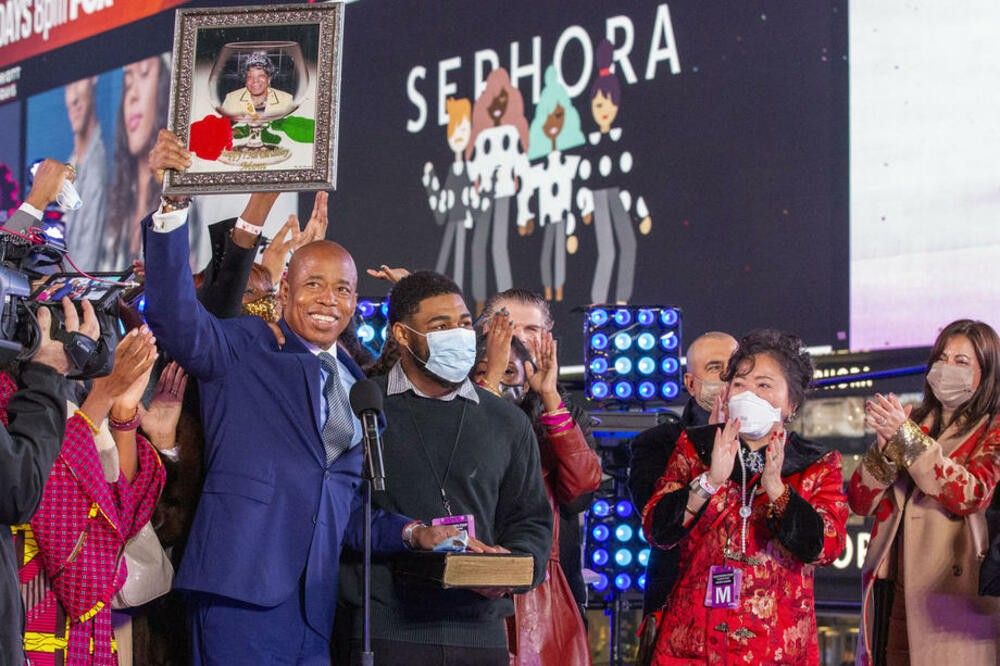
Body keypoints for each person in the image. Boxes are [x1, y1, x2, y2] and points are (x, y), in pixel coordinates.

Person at [141, 131, 452, 664]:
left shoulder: (357, 386)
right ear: (284, 291)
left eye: (343, 289)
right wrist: (172, 206)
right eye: (313, 285)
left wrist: (413, 532)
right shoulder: (245, 346)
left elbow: (342, 507)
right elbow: (175, 318)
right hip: (238, 593)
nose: (329, 299)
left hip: (314, 608)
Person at [337, 271, 552, 666]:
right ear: (402, 335)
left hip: (481, 632)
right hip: (386, 630)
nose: (458, 334)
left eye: (465, 323)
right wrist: (411, 533)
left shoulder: (507, 421)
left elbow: (532, 521)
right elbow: (339, 512)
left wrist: (510, 565)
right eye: (441, 326)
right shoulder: (365, 405)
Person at [642, 329, 848, 664]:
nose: (749, 393)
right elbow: (657, 529)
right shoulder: (696, 447)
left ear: (791, 404)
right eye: (740, 384)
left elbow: (827, 546)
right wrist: (710, 480)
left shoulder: (816, 463)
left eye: (764, 385)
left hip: (777, 648)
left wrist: (776, 488)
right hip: (693, 645)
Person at [848, 319, 1000, 665]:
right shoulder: (913, 421)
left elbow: (971, 493)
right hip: (893, 585)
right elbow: (859, 500)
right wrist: (884, 451)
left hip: (951, 595)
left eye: (961, 361)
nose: (947, 367)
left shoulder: (993, 427)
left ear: (987, 372)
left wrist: (907, 440)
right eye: (942, 358)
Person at [14, 326, 167, 665]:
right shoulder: (10, 389)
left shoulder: (78, 382)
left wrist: (122, 410)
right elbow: (44, 491)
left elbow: (119, 514)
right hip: (30, 619)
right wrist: (101, 398)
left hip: (86, 636)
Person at [472, 313, 600, 666]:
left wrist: (550, 395)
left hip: (539, 603)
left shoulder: (547, 437)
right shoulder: (453, 432)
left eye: (507, 372)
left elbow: (583, 484)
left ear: (526, 381)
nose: (494, 380)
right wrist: (490, 387)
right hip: (472, 590)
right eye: (483, 372)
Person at [628, 332, 738, 633]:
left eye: (735, 368)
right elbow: (658, 523)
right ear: (691, 383)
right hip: (678, 607)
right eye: (715, 368)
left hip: (748, 616)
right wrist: (708, 456)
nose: (727, 378)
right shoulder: (657, 444)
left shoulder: (764, 444)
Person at [577, 40, 653, 305]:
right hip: (599, 197)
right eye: (598, 105)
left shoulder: (622, 139)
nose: (603, 111)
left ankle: (622, 302)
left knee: (628, 244)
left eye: (608, 104)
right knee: (606, 250)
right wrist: (585, 207)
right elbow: (584, 180)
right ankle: (598, 305)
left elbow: (632, 182)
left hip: (619, 197)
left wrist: (642, 213)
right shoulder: (592, 144)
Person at [521, 65, 590, 302]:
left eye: (558, 116)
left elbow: (581, 190)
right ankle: (549, 292)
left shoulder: (570, 163)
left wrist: (578, 221)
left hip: (562, 216)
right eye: (547, 117)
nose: (552, 123)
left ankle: (557, 291)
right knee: (545, 256)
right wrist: (526, 216)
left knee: (559, 257)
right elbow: (528, 191)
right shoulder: (538, 168)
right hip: (547, 217)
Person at [467, 68, 530, 314]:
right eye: (491, 99)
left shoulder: (511, 134)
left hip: (503, 194)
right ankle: (479, 304)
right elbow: (475, 168)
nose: (496, 105)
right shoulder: (482, 137)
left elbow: (521, 167)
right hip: (484, 197)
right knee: (478, 247)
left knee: (498, 247)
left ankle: (505, 307)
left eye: (501, 99)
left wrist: (524, 213)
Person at [102, 55, 172, 271]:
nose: (132, 96)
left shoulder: (183, 202)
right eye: (127, 84)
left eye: (143, 74)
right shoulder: (115, 203)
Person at [422, 97, 477, 290]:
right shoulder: (453, 171)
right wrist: (431, 182)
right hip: (452, 222)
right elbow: (441, 211)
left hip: (463, 224)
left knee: (459, 268)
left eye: (463, 129)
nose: (458, 135)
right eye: (455, 129)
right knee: (443, 263)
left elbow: (473, 203)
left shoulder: (470, 170)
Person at [63, 76, 107, 269]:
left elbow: (84, 267)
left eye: (78, 81)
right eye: (69, 86)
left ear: (94, 79)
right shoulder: (69, 165)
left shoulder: (100, 167)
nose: (73, 98)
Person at [220, 53, 295, 121]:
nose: (255, 81)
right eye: (250, 77)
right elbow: (223, 127)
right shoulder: (231, 99)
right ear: (245, 80)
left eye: (261, 76)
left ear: (269, 79)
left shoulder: (286, 100)